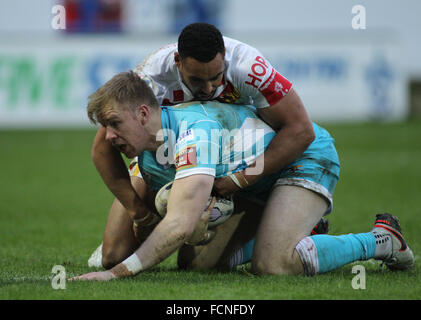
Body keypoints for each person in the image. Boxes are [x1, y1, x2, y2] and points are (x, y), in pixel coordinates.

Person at [70, 71, 413, 281]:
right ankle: (300, 228)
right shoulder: (147, 148)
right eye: (105, 127)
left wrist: (116, 273)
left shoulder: (194, 134)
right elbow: (183, 227)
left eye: (114, 124)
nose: (109, 136)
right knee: (196, 264)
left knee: (274, 264)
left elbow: (177, 225)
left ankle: (382, 240)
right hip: (251, 182)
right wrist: (182, 225)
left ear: (144, 113)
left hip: (300, 158)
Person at [87, 22, 329, 268]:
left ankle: (286, 223)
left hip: (234, 157)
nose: (208, 88)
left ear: (225, 57)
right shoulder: (151, 79)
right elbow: (102, 148)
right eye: (196, 80)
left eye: (215, 77)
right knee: (114, 256)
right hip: (168, 155)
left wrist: (242, 179)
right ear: (178, 62)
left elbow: (300, 130)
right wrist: (138, 211)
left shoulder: (249, 68)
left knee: (201, 261)